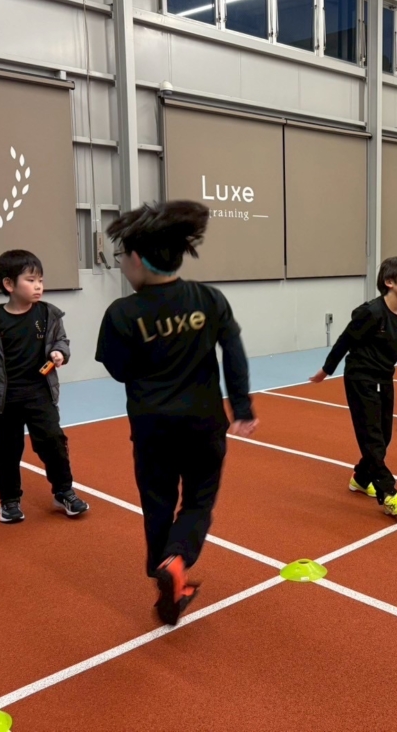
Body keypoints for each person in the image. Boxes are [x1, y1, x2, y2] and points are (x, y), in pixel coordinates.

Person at [96, 200, 258, 626]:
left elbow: (118, 370)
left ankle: (163, 574)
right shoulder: (208, 298)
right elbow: (233, 353)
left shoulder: (121, 313)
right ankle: (178, 560)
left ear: (136, 258)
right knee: (198, 502)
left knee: (157, 505)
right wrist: (242, 406)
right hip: (204, 423)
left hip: (152, 427)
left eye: (121, 257)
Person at [0, 250, 89, 523]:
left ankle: (63, 491)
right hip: (4, 399)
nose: (38, 286)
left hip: (40, 393)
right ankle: (9, 500)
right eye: (30, 280)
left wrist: (59, 352)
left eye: (40, 280)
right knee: (6, 451)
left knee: (53, 441)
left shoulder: (49, 314)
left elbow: (61, 340)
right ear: (9, 284)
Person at [311, 257, 397, 517]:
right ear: (389, 282)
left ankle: (360, 479)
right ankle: (388, 493)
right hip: (361, 378)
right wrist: (326, 370)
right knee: (372, 437)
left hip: (384, 378)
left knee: (384, 436)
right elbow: (344, 341)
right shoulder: (371, 313)